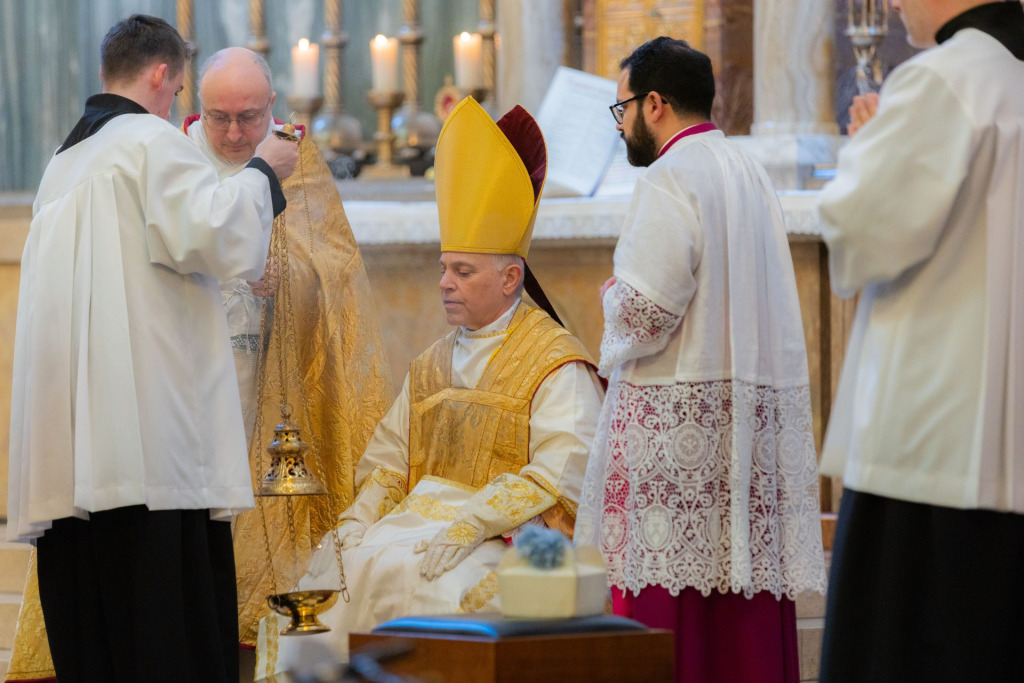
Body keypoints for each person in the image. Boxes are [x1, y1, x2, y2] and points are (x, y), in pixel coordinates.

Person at [3, 46, 395, 683]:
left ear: (272, 107)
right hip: (166, 430)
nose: (234, 132)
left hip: (118, 433)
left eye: (250, 117)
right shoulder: (157, 145)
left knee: (109, 620)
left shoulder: (68, 160)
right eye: (215, 114)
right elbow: (212, 236)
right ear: (169, 80)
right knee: (165, 613)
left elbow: (329, 274)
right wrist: (263, 178)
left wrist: (287, 269)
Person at [253, 97, 605, 678]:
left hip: (499, 538)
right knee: (337, 570)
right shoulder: (432, 364)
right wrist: (357, 520)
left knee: (438, 586)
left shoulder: (554, 363)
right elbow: (389, 463)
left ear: (510, 277)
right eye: (444, 268)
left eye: (462, 272)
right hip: (413, 528)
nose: (444, 283)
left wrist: (475, 520)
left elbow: (563, 471)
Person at [574, 37, 826, 683]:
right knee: (741, 616)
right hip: (742, 431)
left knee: (673, 610)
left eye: (623, 107)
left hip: (675, 440)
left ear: (654, 103)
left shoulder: (670, 175)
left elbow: (645, 311)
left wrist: (611, 297)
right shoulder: (748, 170)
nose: (621, 124)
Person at [816, 2, 1024, 681]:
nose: (896, 3)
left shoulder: (946, 76)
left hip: (929, 442)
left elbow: (862, 229)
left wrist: (868, 146)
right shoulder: (1010, 76)